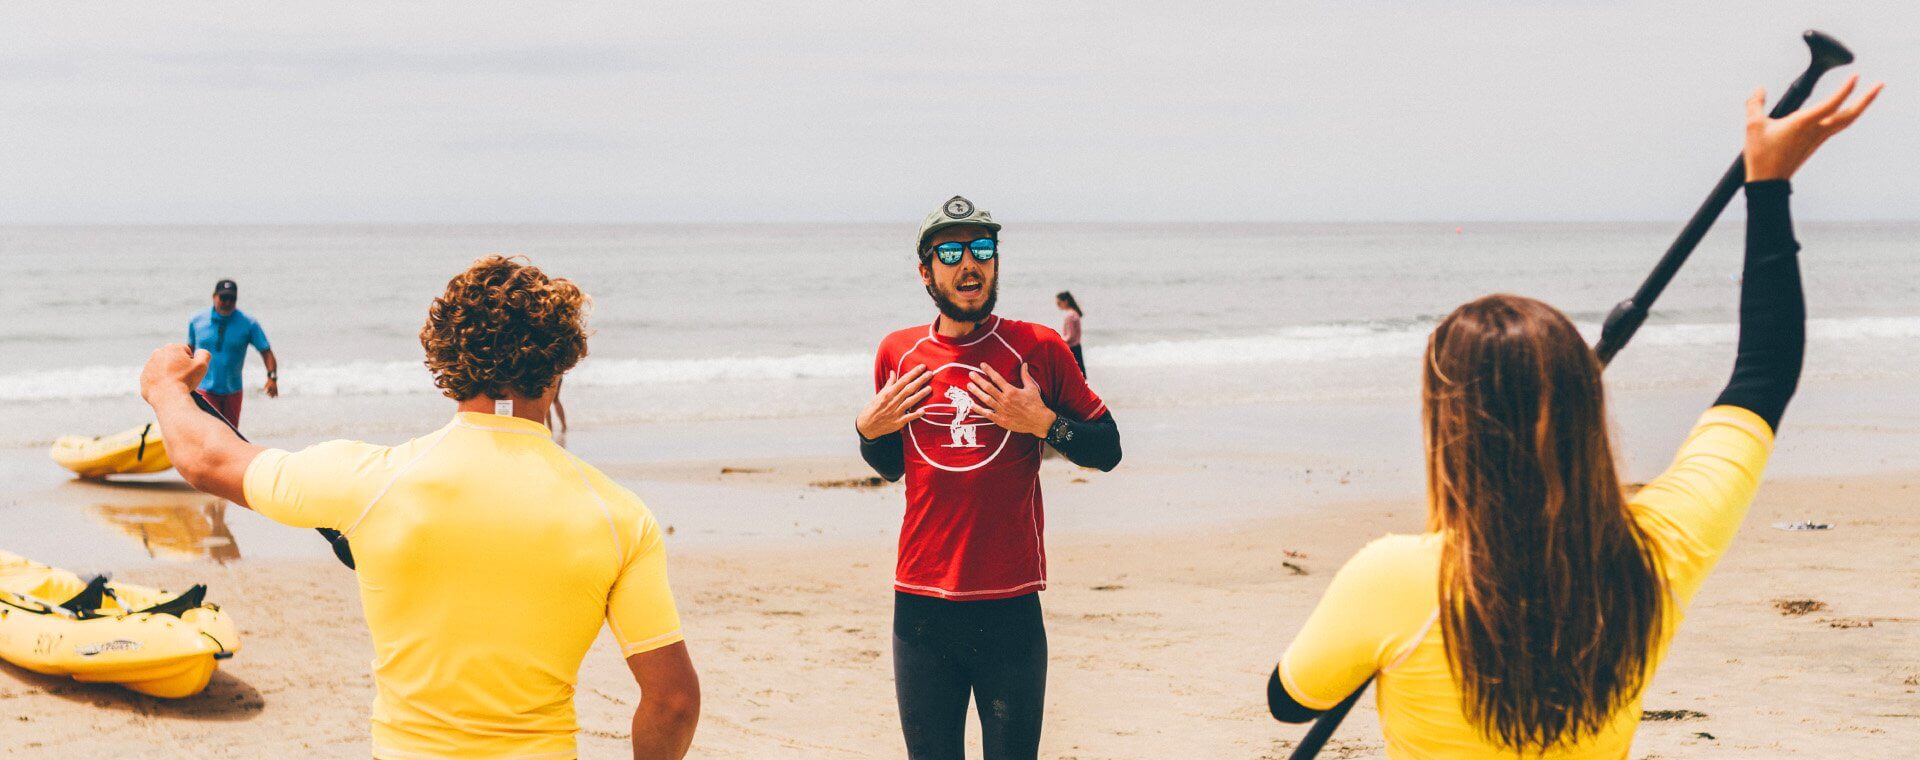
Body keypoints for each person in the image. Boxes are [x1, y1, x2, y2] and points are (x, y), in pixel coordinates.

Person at [1266, 78, 1880, 758]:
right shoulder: (1658, 551)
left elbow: (1291, 701)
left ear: (1447, 428)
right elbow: (1764, 375)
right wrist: (1768, 187)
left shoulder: (1393, 578)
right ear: (1584, 408)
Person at [141, 255, 701, 759]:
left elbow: (208, 460)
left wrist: (166, 386)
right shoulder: (618, 515)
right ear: (560, 367)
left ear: (447, 360)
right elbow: (673, 701)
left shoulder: (374, 481)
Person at [857, 196, 1123, 759]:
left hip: (1009, 606)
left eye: (982, 249)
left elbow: (1109, 449)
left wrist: (1045, 423)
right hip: (922, 608)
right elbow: (891, 468)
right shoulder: (897, 353)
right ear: (925, 272)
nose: (968, 263)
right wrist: (866, 429)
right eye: (950, 252)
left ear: (996, 262)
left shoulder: (1039, 348)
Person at [186, 278, 277, 428]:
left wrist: (272, 378)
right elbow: (188, 351)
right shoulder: (196, 321)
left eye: (232, 298)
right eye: (223, 297)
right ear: (214, 296)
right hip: (204, 390)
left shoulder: (248, 324)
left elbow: (266, 351)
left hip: (232, 391)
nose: (227, 302)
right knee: (208, 433)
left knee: (231, 434)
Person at [1055, 291, 1085, 376]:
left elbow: (1070, 336)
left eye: (1059, 303)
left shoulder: (1070, 316)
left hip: (1072, 348)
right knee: (1079, 375)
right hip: (1077, 347)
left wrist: (1057, 340)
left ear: (1065, 302)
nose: (1058, 306)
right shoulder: (1074, 313)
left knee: (1072, 375)